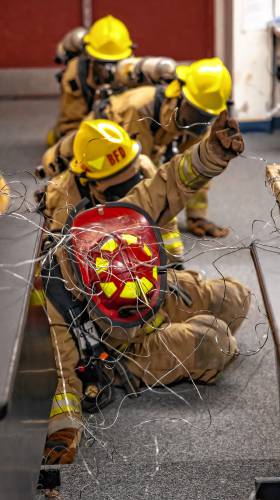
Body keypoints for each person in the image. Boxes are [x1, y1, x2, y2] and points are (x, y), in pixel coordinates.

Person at [42, 110, 250, 465]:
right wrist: (62, 430)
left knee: (235, 299)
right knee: (217, 343)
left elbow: (167, 184)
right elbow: (62, 372)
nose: (128, 188)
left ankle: (163, 315)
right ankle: (120, 370)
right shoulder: (55, 293)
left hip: (143, 290)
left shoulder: (106, 218)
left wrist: (211, 151)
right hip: (116, 346)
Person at [86, 57, 232, 237]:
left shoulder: (199, 120)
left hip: (152, 139)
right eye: (195, 111)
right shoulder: (140, 109)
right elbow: (134, 171)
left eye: (206, 115)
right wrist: (154, 225)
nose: (199, 122)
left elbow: (197, 169)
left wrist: (197, 216)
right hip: (99, 144)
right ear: (180, 96)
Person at [44, 118, 184, 260]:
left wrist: (173, 260)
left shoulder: (144, 165)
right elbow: (60, 259)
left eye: (131, 173)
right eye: (117, 184)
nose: (129, 191)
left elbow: (164, 214)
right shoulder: (66, 195)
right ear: (88, 179)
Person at [48, 15, 176, 146]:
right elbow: (72, 122)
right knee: (58, 140)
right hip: (88, 124)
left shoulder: (135, 73)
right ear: (88, 56)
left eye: (116, 62)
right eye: (101, 63)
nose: (109, 70)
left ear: (130, 54)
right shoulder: (77, 73)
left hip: (123, 127)